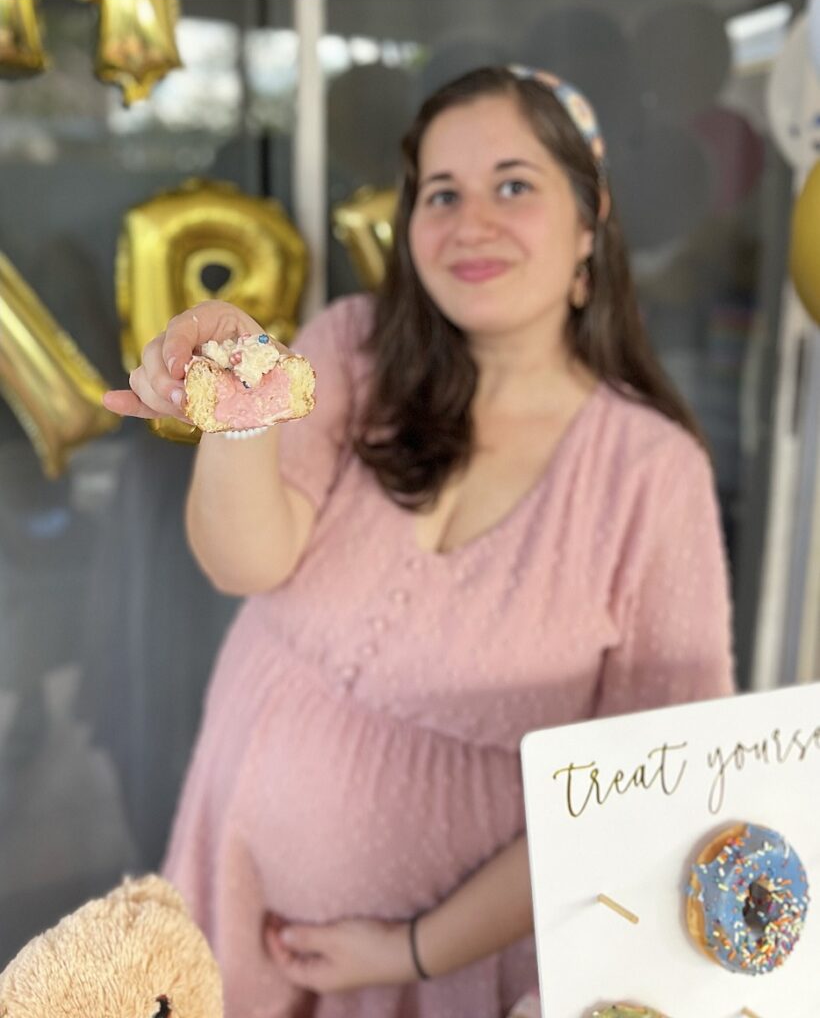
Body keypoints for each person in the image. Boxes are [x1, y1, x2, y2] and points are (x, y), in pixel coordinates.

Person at [103, 66, 735, 1018]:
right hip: (238, 905)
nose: (469, 221)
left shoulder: (653, 475)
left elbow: (643, 797)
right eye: (441, 193)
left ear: (589, 223)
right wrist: (241, 407)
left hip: (459, 978)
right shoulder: (352, 347)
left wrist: (408, 950)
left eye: (513, 185)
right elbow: (246, 560)